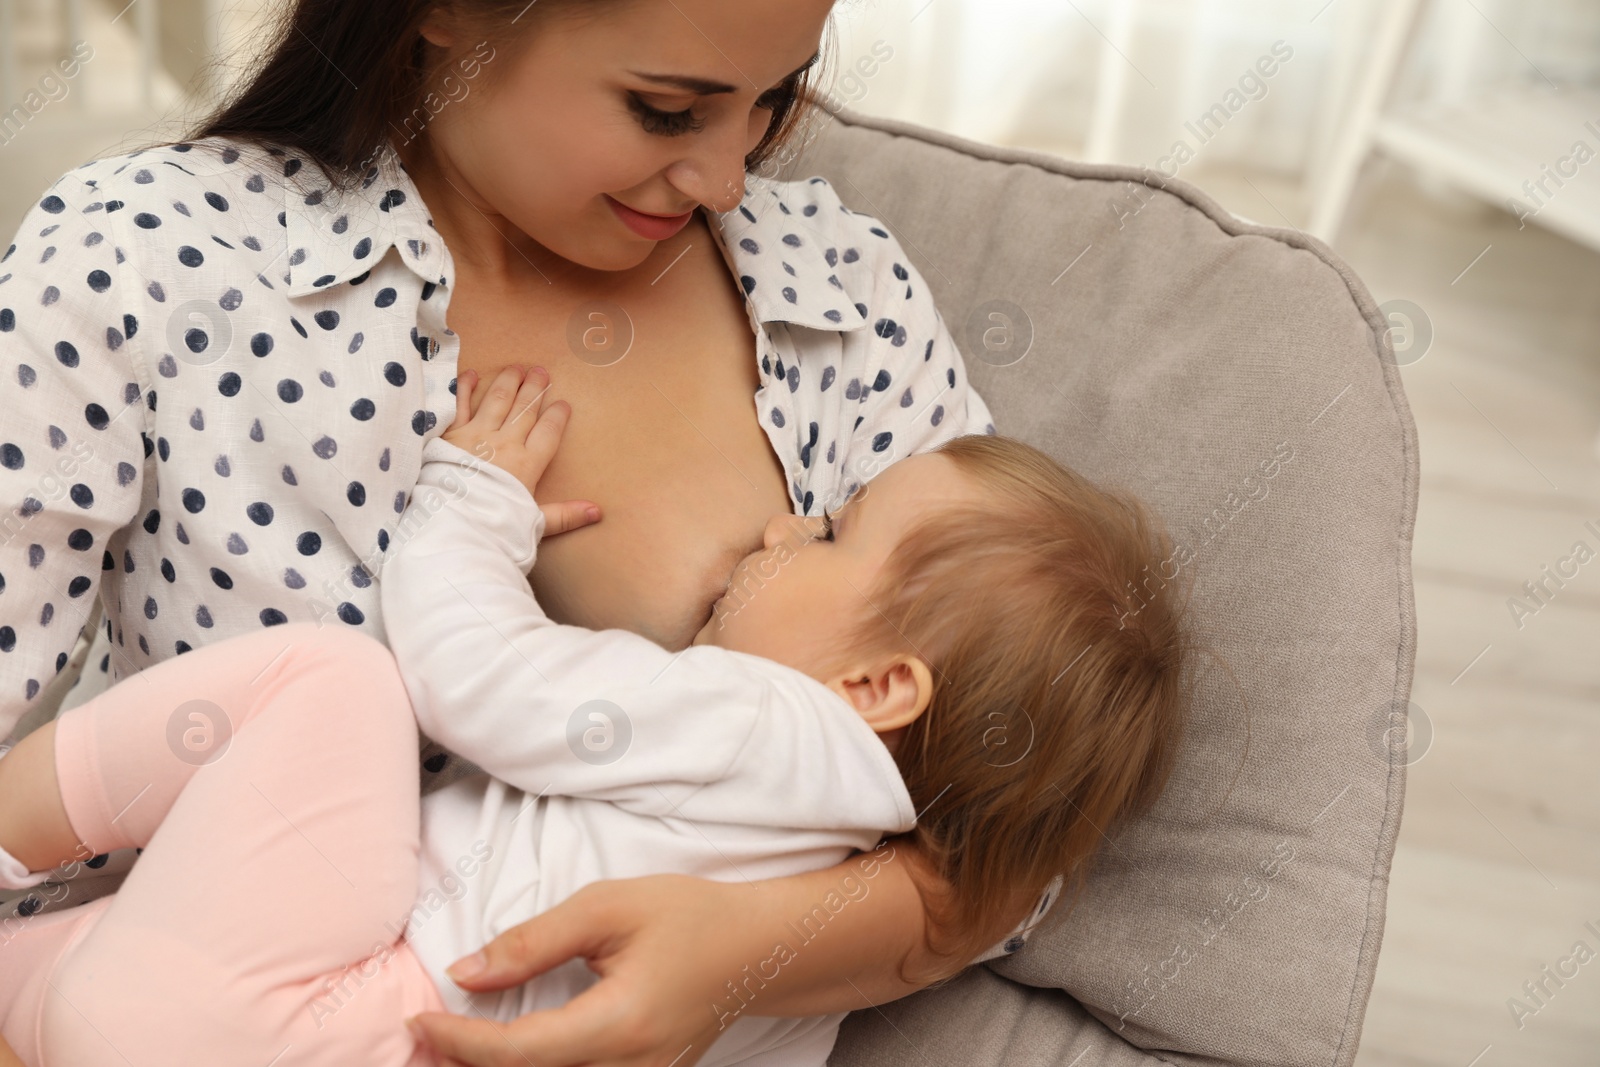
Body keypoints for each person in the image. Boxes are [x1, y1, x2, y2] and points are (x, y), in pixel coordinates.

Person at [0, 0, 1045, 1063]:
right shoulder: (146, 261)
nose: (729, 180)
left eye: (774, 99)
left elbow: (1017, 813)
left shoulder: (834, 293)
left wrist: (746, 954)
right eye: (667, 110)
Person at [0, 362, 1188, 1066]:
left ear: (873, 689)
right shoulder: (820, 959)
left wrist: (475, 507)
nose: (781, 525)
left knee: (335, 681)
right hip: (284, 1026)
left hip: (311, 1010)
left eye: (830, 531)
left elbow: (481, 677)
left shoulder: (763, 724)